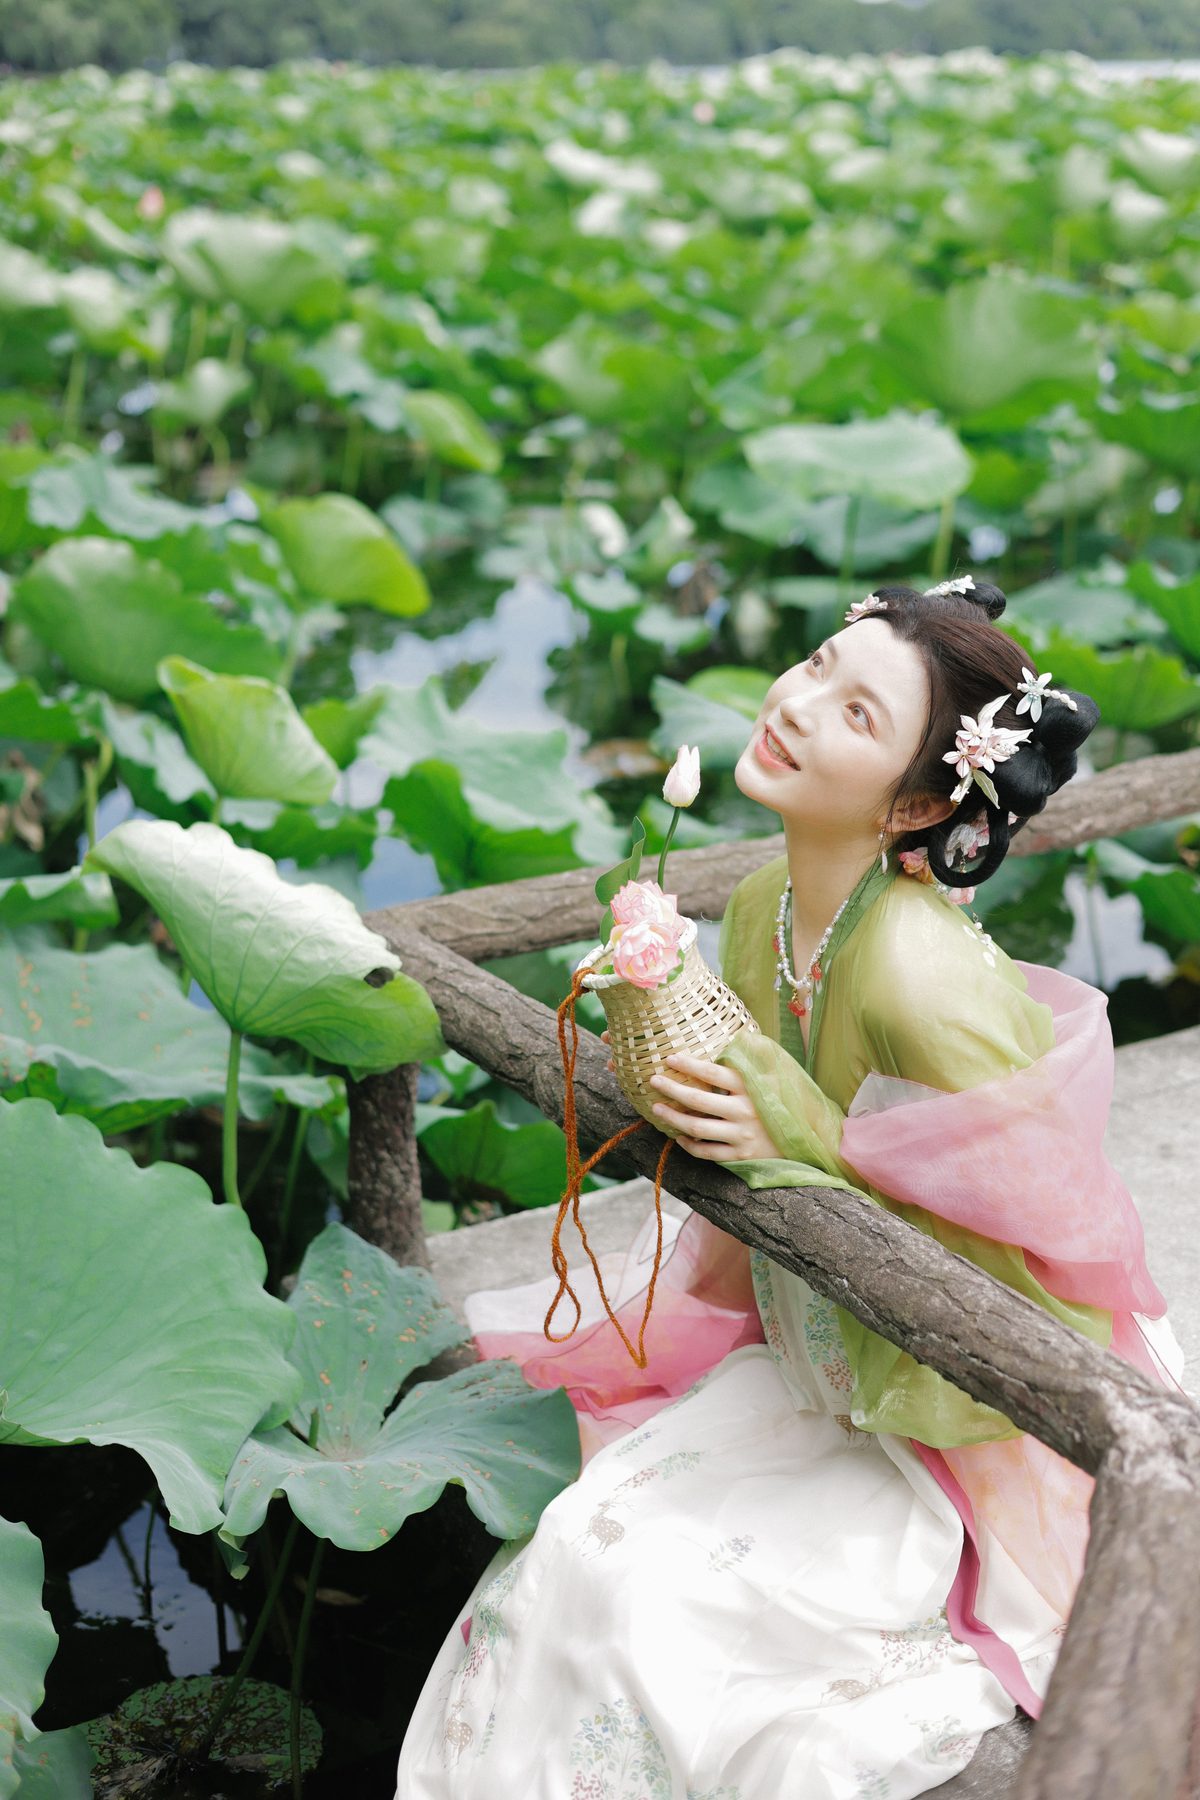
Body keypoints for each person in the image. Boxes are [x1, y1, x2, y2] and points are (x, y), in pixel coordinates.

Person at [394, 575, 1187, 1799]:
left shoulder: (922, 978)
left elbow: (1041, 1254)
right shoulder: (766, 900)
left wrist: (804, 1133)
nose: (800, 705)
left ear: (916, 803)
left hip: (957, 1408)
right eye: (818, 664)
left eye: (858, 714)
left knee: (670, 1622)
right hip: (817, 1346)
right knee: (579, 1548)